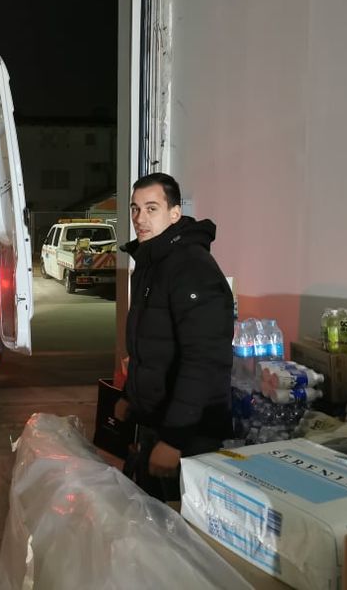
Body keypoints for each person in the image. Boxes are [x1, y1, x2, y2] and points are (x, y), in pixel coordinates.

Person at [115, 172, 234, 501]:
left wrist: (174, 439)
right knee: (151, 516)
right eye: (135, 208)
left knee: (179, 522)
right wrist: (130, 395)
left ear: (175, 213)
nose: (140, 218)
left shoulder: (192, 267)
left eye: (151, 208)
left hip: (189, 432)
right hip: (158, 419)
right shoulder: (151, 261)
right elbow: (150, 347)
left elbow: (204, 360)